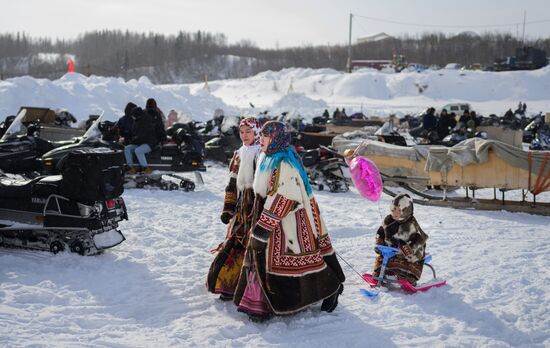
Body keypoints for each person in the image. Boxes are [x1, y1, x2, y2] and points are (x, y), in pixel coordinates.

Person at [233, 121, 345, 321]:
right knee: (269, 261)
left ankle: (331, 288)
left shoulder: (284, 162)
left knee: (302, 263)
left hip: (288, 223)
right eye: (263, 136)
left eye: (266, 137)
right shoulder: (268, 158)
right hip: (271, 218)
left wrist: (264, 228)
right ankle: (260, 304)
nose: (261, 140)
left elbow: (285, 198)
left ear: (275, 138)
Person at [206, 117, 262, 301]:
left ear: (256, 132)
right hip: (241, 208)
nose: (244, 136)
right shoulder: (238, 154)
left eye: (248, 132)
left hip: (258, 205)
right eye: (242, 132)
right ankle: (228, 285)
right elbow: (231, 183)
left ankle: (252, 291)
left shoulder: (262, 153)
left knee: (255, 247)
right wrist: (228, 209)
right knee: (236, 242)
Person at [371, 193, 428, 286]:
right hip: (391, 249)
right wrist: (379, 243)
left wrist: (407, 250)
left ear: (406, 210)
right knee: (383, 258)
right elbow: (381, 231)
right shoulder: (388, 220)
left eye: (399, 210)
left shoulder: (411, 224)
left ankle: (408, 276)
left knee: (409, 261)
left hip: (408, 251)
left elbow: (420, 239)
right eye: (394, 209)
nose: (395, 213)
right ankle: (381, 273)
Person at [125, 107, 157, 174]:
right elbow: (135, 133)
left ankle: (145, 168)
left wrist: (134, 140)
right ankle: (131, 167)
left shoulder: (146, 121)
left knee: (138, 151)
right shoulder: (137, 121)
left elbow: (143, 136)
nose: (133, 117)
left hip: (149, 143)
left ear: (137, 115)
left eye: (133, 115)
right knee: (127, 148)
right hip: (140, 143)